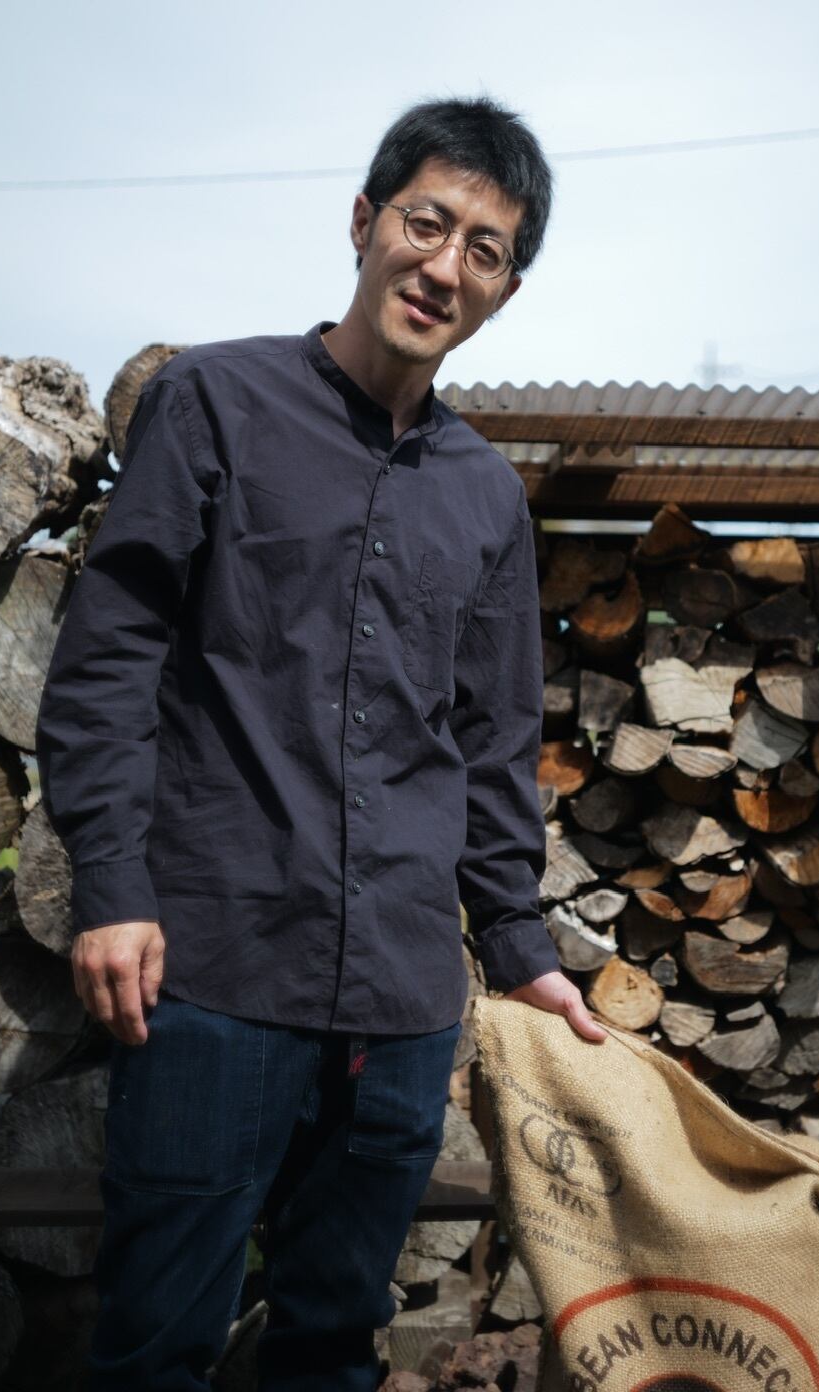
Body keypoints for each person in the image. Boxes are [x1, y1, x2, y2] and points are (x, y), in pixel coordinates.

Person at [34, 96, 605, 1392]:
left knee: (333, 1353)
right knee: (156, 1349)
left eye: (485, 250)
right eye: (427, 223)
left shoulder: (486, 496)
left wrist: (518, 948)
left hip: (401, 1007)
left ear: (507, 290)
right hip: (211, 976)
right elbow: (109, 659)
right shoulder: (214, 403)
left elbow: (493, 741)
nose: (444, 266)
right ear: (364, 222)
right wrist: (111, 888)